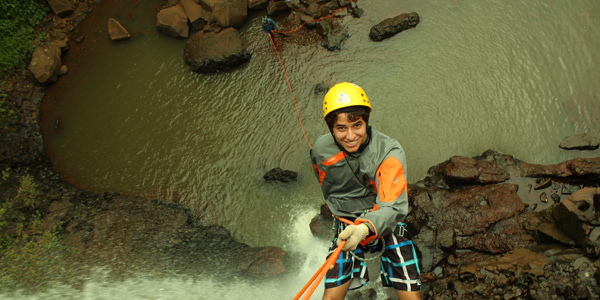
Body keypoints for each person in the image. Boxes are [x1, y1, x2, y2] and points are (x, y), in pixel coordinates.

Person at [309, 82, 421, 300]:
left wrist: (365, 228)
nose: (350, 136)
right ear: (331, 128)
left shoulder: (388, 152)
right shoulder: (321, 149)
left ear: (366, 122)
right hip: (347, 219)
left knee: (411, 296)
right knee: (330, 296)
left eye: (357, 125)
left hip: (384, 216)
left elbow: (393, 206)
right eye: (341, 128)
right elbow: (324, 181)